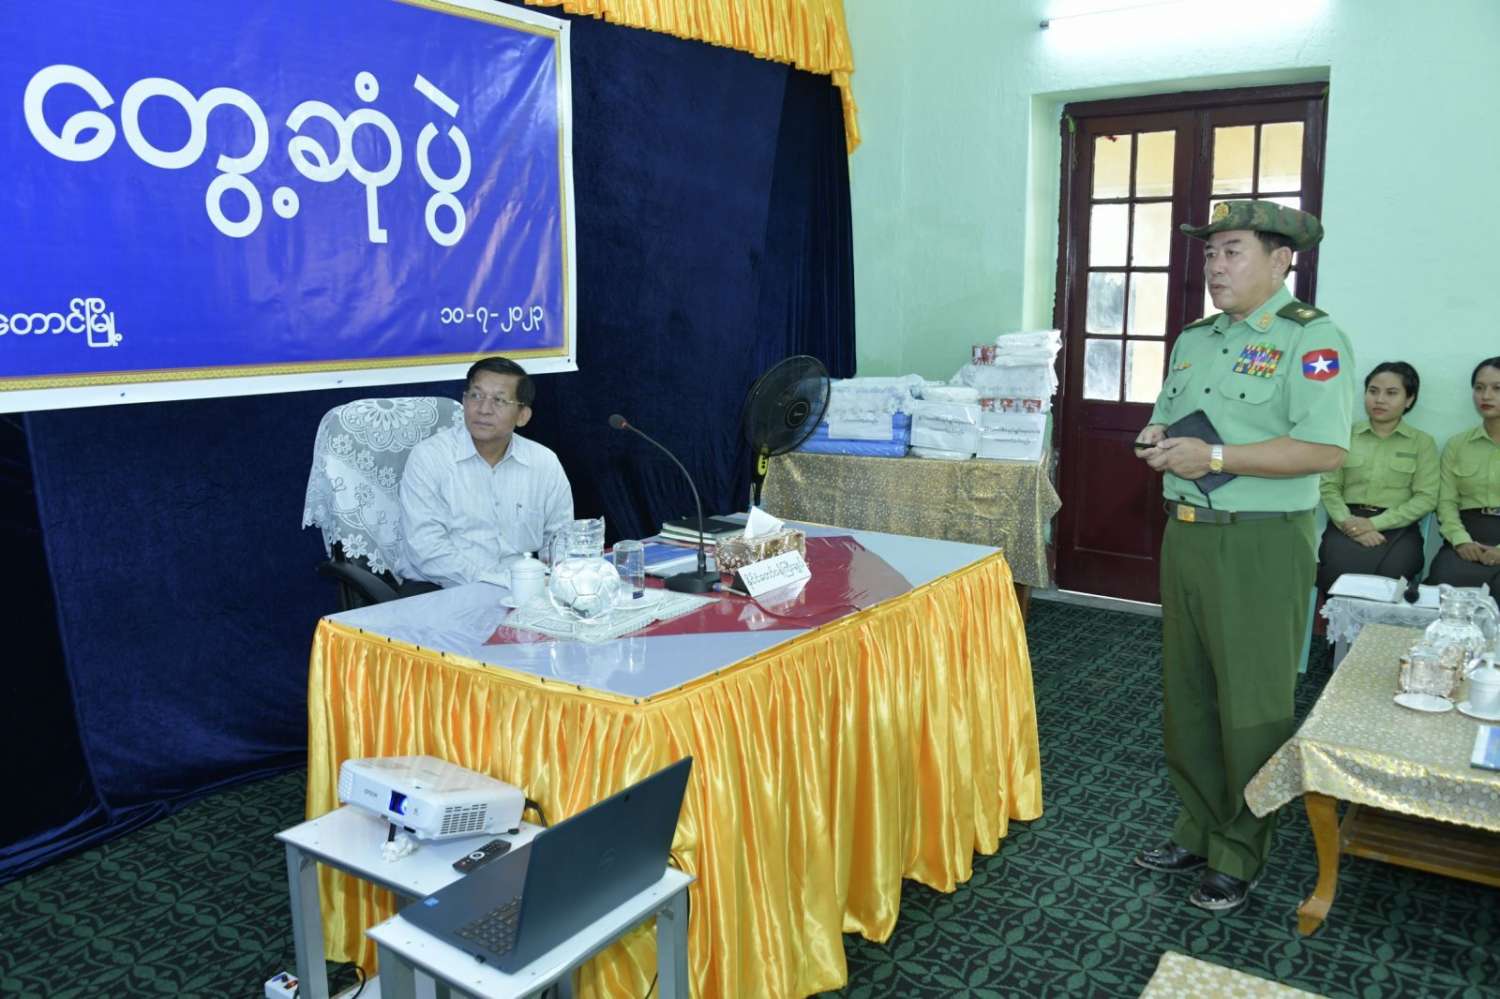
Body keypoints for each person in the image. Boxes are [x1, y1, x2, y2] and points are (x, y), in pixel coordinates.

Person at [1133, 200, 1354, 912]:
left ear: (1281, 260)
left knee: (1251, 702)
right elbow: (1172, 413)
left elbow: (1324, 448)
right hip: (1187, 532)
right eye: (1210, 253)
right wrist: (1158, 435)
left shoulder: (1311, 338)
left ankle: (1240, 848)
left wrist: (1216, 456)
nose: (1215, 266)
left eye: (1232, 251)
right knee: (1189, 694)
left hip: (1261, 541)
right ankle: (1198, 826)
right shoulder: (1196, 338)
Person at [398, 356, 574, 592]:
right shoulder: (430, 458)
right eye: (476, 396)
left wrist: (546, 578)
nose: (483, 409)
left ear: (523, 415)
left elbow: (562, 538)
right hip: (440, 587)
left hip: (520, 586)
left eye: (499, 400)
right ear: (464, 400)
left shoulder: (543, 462)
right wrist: (496, 582)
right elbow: (426, 549)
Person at [1315, 362, 1438, 595]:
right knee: (1339, 570)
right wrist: (1352, 525)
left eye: (1391, 393)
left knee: (1394, 573)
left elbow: (1426, 498)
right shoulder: (1344, 435)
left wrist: (1374, 524)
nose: (1379, 400)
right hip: (1346, 523)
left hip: (1398, 528)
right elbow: (1329, 487)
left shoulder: (1422, 443)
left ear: (1409, 399)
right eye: (1373, 391)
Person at [1425, 357, 1500, 588]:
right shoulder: (1457, 445)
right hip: (1467, 532)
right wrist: (1460, 541)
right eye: (1479, 388)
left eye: (1497, 388)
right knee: (1442, 583)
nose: (1486, 396)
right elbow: (1446, 503)